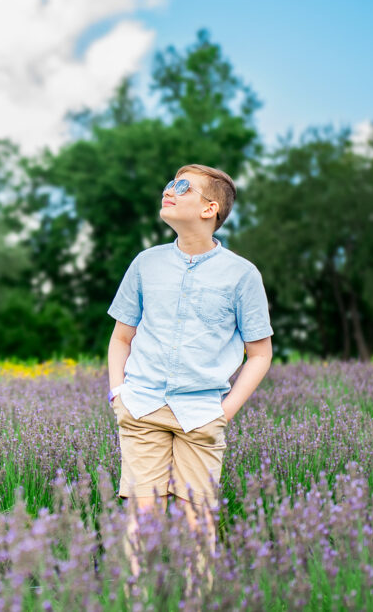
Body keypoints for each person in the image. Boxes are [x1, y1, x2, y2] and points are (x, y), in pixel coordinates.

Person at [106, 163, 273, 597]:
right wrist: (117, 393)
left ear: (209, 208)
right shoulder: (146, 263)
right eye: (168, 184)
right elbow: (121, 337)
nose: (169, 191)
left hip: (201, 415)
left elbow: (260, 354)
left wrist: (224, 412)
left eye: (182, 187)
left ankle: (195, 603)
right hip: (141, 409)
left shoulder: (242, 275)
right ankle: (137, 602)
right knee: (144, 521)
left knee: (198, 522)